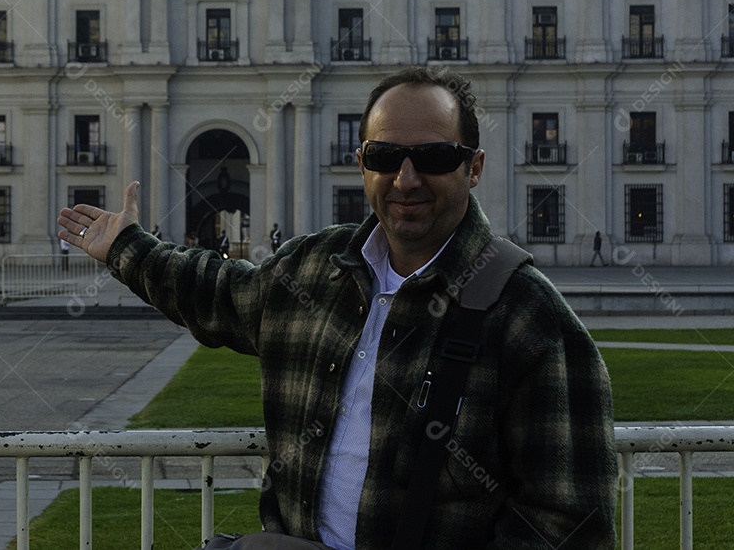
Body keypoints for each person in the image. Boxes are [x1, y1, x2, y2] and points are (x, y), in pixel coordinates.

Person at [57, 67, 617, 549]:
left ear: (473, 168)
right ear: (362, 163)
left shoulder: (529, 316)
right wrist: (128, 248)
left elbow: (566, 523)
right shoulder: (313, 270)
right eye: (385, 156)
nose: (406, 179)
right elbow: (217, 292)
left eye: (433, 156)